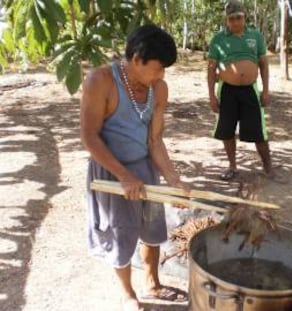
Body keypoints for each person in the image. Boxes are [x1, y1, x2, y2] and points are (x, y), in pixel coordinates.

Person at [80, 25, 188, 311]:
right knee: (121, 233)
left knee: (153, 228)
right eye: (158, 67)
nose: (162, 75)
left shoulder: (158, 89)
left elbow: (155, 140)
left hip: (145, 171)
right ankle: (128, 294)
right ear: (137, 59)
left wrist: (174, 180)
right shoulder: (100, 81)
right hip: (111, 174)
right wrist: (124, 176)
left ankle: (152, 283)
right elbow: (89, 137)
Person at [208, 0, 280, 181]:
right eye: (231, 19)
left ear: (244, 17)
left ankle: (269, 169)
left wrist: (265, 90)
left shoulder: (255, 36)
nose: (235, 22)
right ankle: (232, 167)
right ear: (227, 20)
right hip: (226, 90)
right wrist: (211, 96)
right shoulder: (218, 39)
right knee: (227, 130)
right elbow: (211, 68)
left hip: (250, 90)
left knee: (259, 131)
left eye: (238, 18)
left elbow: (263, 64)